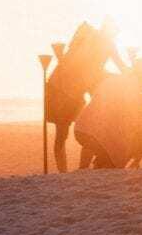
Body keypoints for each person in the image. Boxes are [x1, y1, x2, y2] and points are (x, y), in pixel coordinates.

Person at [44, 21, 121, 172]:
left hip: (70, 92)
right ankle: (75, 170)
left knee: (68, 134)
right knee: (77, 132)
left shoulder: (92, 41)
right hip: (68, 93)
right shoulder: (100, 43)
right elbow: (119, 66)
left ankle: (74, 171)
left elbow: (87, 68)